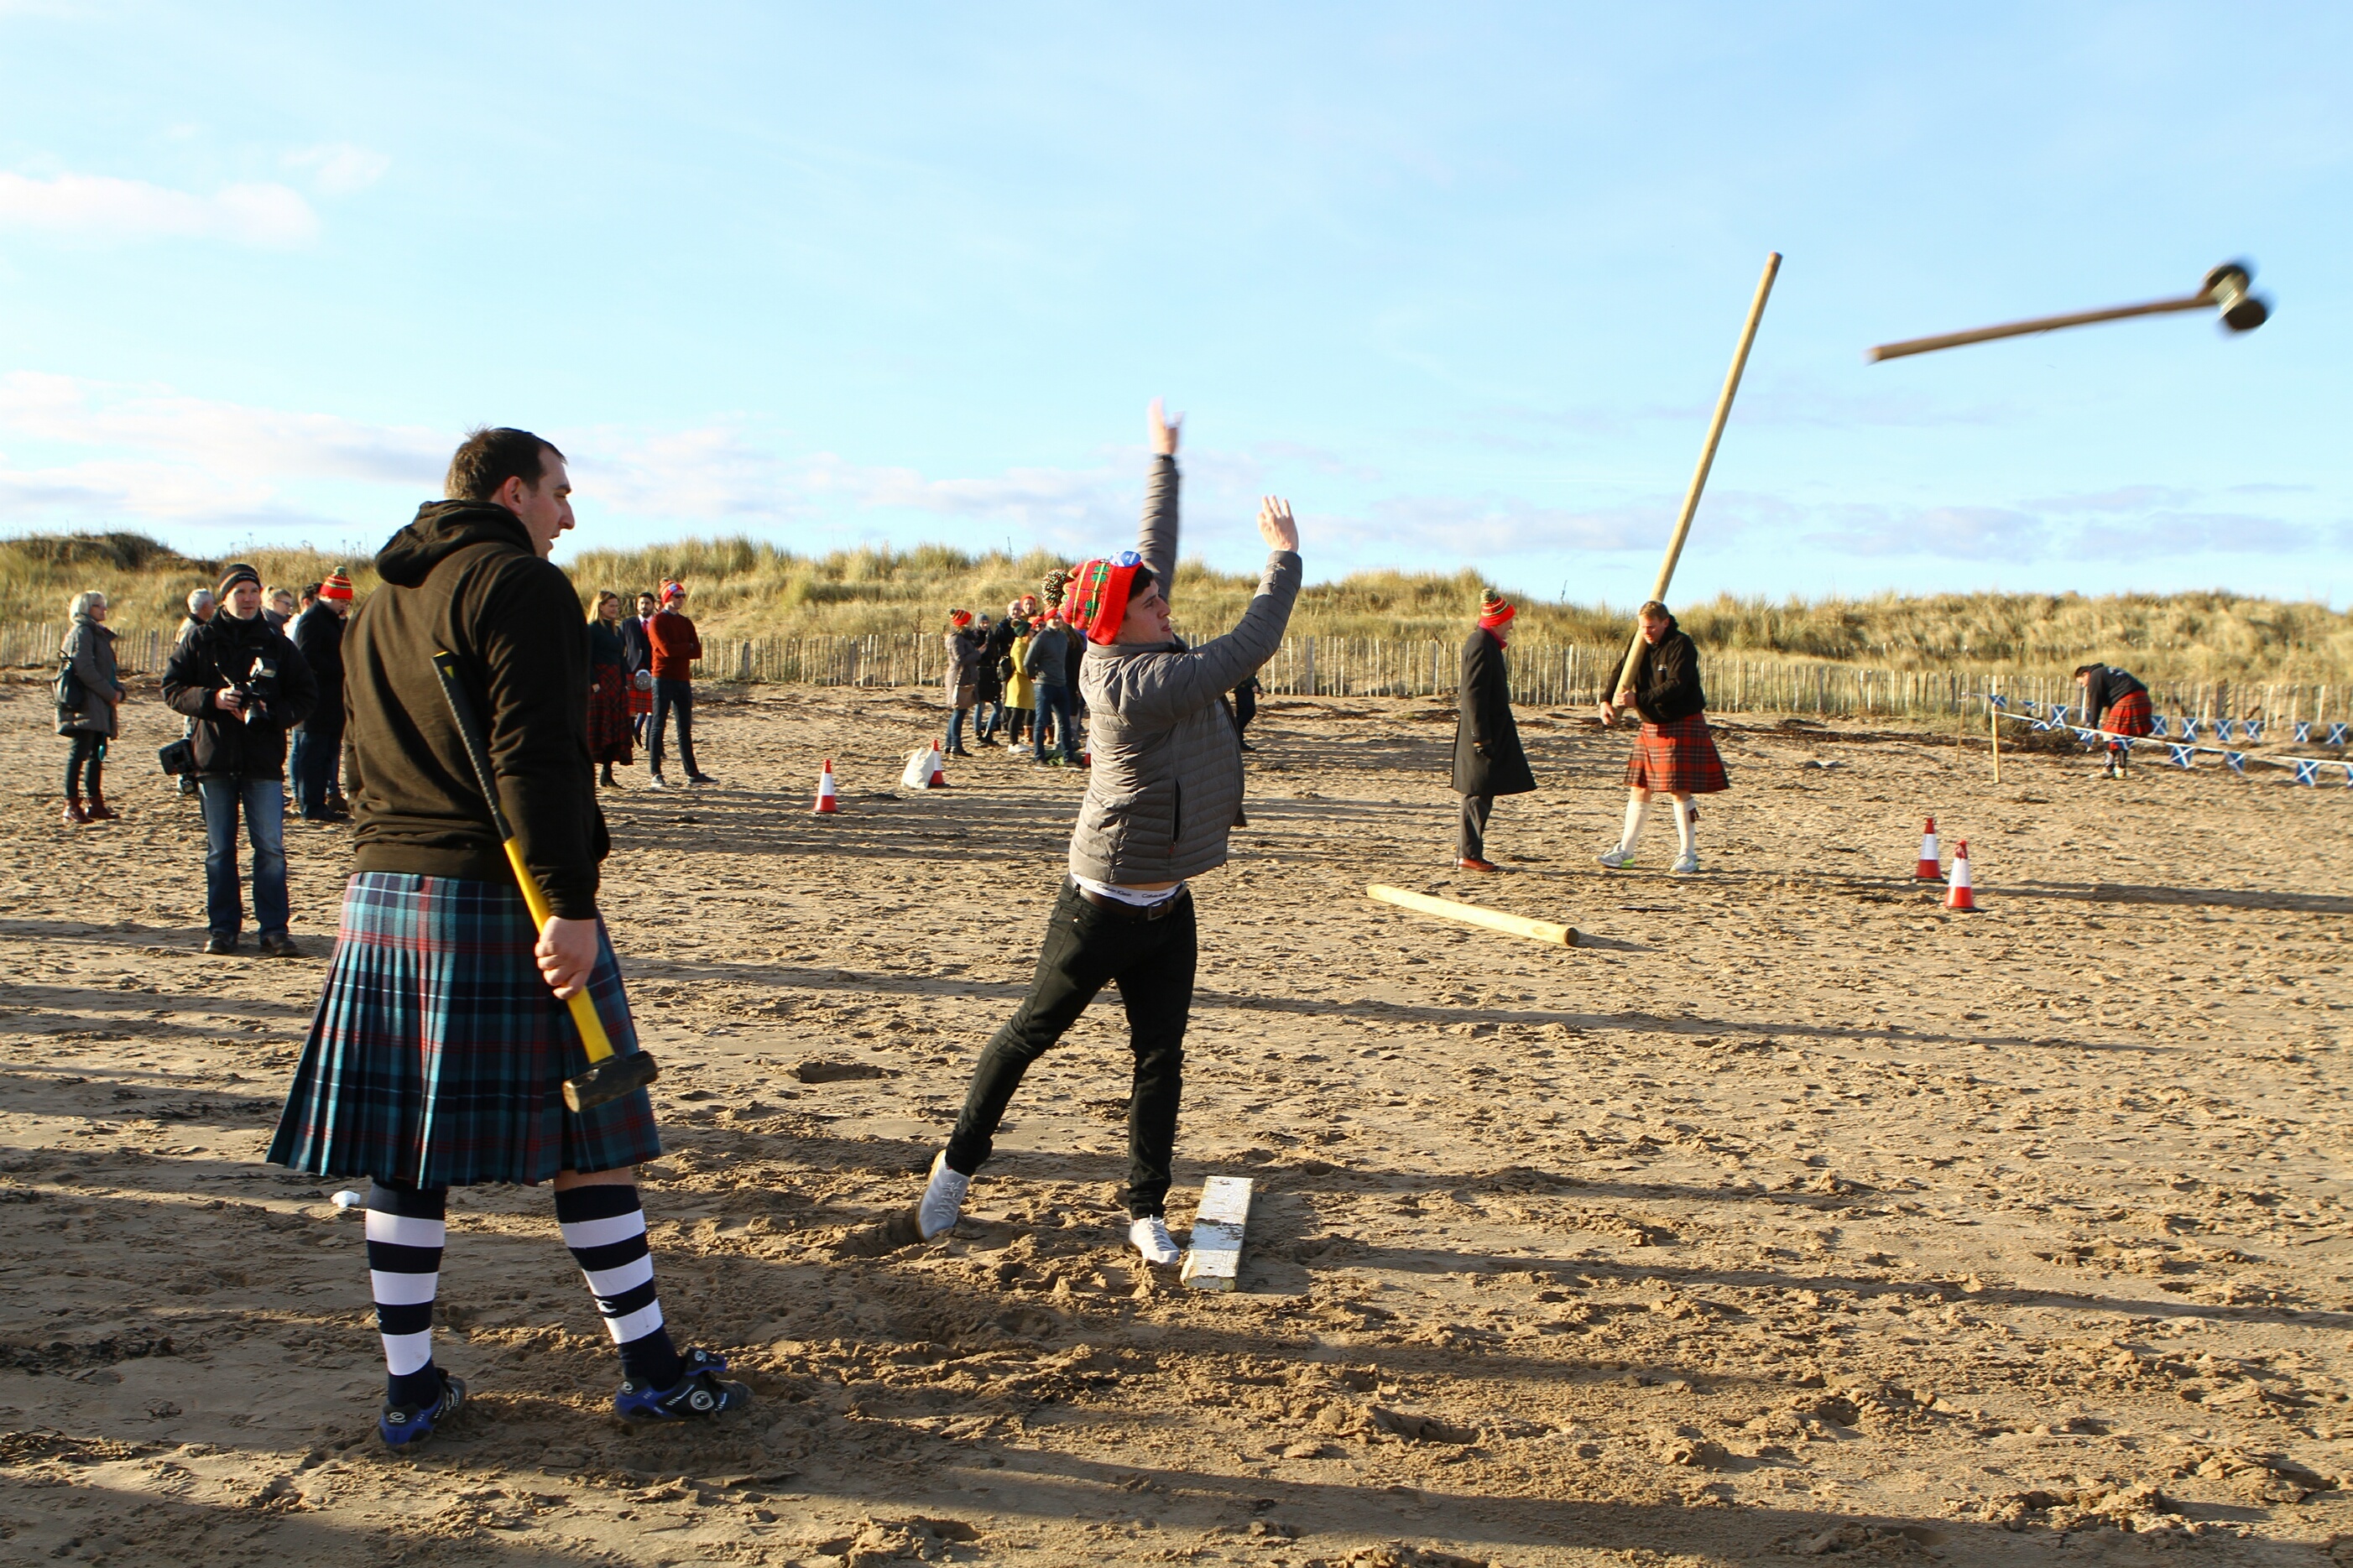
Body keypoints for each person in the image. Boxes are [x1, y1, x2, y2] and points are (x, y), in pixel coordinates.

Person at [267, 425, 748, 1448]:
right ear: (512, 489)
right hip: (503, 894)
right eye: (562, 494)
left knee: (404, 1149)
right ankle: (652, 1370)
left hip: (382, 891)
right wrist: (570, 901)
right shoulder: (519, 584)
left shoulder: (381, 596)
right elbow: (536, 755)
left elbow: (354, 753)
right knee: (592, 1129)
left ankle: (410, 1392)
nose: (570, 516)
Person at [916, 399, 1302, 1267]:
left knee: (1160, 1054)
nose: (1166, 604)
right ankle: (954, 1168)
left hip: (1167, 902)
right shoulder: (1133, 684)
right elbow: (1246, 647)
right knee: (1029, 1033)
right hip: (1100, 904)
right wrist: (1283, 561)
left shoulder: (1137, 632)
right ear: (1115, 623)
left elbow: (1147, 556)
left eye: (1158, 596)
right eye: (1151, 603)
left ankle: (1142, 1211)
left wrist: (1161, 462)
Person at [163, 562, 320, 955]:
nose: (247, 599)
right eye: (240, 593)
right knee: (219, 851)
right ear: (224, 597)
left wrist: (270, 713)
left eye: (253, 592)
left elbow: (306, 695)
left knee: (270, 849)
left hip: (262, 760)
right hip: (213, 759)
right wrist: (211, 700)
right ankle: (223, 929)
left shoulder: (277, 642)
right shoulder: (200, 639)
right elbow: (172, 687)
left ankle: (274, 931)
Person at [1597, 601, 1725, 875]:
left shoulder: (1682, 645)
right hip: (1651, 725)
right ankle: (1626, 851)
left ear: (1665, 622)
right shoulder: (1640, 641)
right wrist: (1606, 699)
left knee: (1679, 789)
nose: (1647, 632)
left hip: (1680, 722)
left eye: (1651, 627)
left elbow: (1676, 685)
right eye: (1642, 626)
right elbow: (1622, 670)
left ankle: (1688, 854)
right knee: (1640, 787)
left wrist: (1637, 699)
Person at [1453, 591, 1534, 872]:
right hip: (1481, 731)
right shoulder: (1480, 643)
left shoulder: (1486, 642)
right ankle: (1468, 855)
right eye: (1508, 621)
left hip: (1487, 730)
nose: (1511, 626)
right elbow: (1472, 694)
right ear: (1498, 621)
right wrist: (1480, 737)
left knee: (1482, 792)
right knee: (1477, 792)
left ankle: (1469, 853)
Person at [57, 591, 128, 826]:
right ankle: (72, 804)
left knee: (96, 752)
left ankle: (95, 803)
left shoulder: (96, 633)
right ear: (87, 608)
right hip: (85, 703)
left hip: (98, 702)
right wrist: (111, 694)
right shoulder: (83, 632)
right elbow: (84, 668)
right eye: (100, 606)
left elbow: (106, 670)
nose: (104, 610)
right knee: (80, 752)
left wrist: (118, 690)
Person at [290, 570, 356, 820]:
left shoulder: (333, 621)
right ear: (328, 597)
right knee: (312, 756)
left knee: (327, 754)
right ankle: (311, 805)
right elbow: (307, 658)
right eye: (342, 601)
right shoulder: (312, 620)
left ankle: (320, 803)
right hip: (315, 701)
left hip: (332, 701)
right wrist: (341, 667)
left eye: (347, 603)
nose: (344, 607)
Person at [646, 581, 712, 788]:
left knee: (685, 727)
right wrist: (686, 646)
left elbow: (697, 652)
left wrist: (683, 648)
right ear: (667, 598)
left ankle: (692, 772)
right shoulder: (657, 622)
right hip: (662, 678)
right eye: (677, 596)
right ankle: (655, 772)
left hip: (682, 679)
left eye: (683, 596)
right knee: (658, 725)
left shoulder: (686, 623)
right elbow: (666, 650)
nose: (681, 599)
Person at [587, 591, 635, 788]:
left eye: (617, 606)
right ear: (600, 607)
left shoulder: (617, 630)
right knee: (598, 727)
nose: (616, 609)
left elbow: (622, 658)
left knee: (615, 727)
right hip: (599, 681)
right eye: (611, 606)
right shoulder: (591, 629)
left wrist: (624, 682)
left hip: (616, 681)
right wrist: (594, 682)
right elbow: (586, 658)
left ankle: (607, 774)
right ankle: (589, 773)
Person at [173, 588, 217, 798]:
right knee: (190, 734)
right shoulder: (191, 629)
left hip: (195, 691)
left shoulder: (198, 627)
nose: (215, 606)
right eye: (212, 603)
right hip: (192, 692)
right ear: (204, 606)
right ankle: (184, 779)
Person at [2075, 662, 2153, 779]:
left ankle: (2109, 768)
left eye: (2082, 682)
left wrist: (2093, 726)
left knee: (2109, 734)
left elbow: (2095, 702)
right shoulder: (2106, 672)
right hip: (2143, 698)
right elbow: (2111, 697)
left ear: (2086, 674)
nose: (2084, 686)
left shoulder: (2095, 676)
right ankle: (2121, 769)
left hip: (2128, 699)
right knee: (2123, 734)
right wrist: (2106, 718)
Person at [1024, 607, 1076, 764]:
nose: (1057, 621)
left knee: (1064, 722)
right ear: (1047, 620)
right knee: (1041, 721)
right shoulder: (1040, 638)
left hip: (1061, 684)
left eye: (1059, 618)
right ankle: (1039, 757)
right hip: (1044, 685)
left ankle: (1068, 757)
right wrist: (1033, 676)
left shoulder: (1062, 637)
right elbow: (1028, 661)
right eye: (1054, 618)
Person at [943, 611, 983, 756]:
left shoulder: (963, 637)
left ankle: (949, 744)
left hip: (964, 676)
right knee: (959, 712)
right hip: (959, 677)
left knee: (959, 712)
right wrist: (978, 653)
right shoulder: (956, 639)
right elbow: (960, 659)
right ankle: (956, 745)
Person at [998, 598, 1036, 748]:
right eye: (1030, 631)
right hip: (1018, 684)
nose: (1033, 633)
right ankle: (1013, 742)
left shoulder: (1024, 645)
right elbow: (1021, 667)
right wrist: (1032, 674)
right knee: (1016, 714)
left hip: (1023, 684)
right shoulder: (1019, 646)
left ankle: (1015, 741)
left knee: (1019, 713)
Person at [620, 590, 656, 744]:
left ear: (653, 605)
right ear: (637, 606)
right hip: (631, 667)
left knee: (652, 708)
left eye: (647, 603)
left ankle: (651, 742)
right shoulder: (627, 624)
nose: (644, 606)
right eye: (641, 603)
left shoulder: (658, 623)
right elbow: (620, 647)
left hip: (652, 668)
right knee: (631, 709)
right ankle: (630, 736)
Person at [1231, 673, 1261, 752]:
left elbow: (1252, 673)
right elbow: (1245, 672)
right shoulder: (1245, 660)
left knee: (1242, 715)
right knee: (1249, 713)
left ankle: (1238, 743)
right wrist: (1252, 685)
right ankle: (1236, 740)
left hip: (1245, 689)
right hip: (1243, 689)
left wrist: (1258, 687)